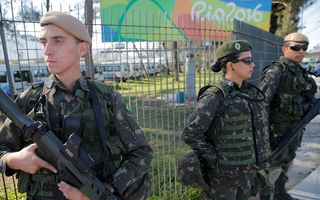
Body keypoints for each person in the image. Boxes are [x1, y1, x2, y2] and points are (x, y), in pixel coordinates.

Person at [0, 11, 153, 200]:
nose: (47, 50)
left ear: (82, 49)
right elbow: (3, 148)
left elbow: (141, 153)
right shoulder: (30, 100)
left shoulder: (107, 98)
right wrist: (13, 160)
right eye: (43, 42)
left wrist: (106, 189)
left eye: (58, 41)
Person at [181, 40, 271, 200]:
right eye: (247, 61)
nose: (253, 65)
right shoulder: (215, 96)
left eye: (252, 60)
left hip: (248, 173)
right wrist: (215, 160)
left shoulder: (251, 93)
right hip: (223, 179)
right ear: (231, 65)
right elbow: (191, 133)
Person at [258, 32, 317, 200]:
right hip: (276, 130)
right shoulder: (276, 71)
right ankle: (265, 195)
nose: (300, 51)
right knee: (272, 166)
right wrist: (265, 133)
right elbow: (262, 103)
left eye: (304, 48)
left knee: (287, 161)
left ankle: (279, 192)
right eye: (295, 47)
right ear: (284, 49)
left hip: (295, 127)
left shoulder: (300, 72)